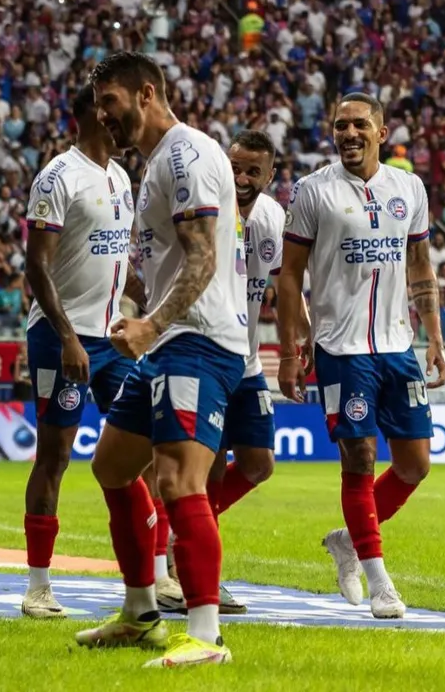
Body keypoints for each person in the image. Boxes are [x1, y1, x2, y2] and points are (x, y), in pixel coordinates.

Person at [77, 51, 247, 667]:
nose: (103, 117)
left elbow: (202, 260)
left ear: (146, 93)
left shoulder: (186, 154)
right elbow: (179, 264)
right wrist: (142, 316)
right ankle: (141, 613)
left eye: (111, 104)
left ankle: (205, 635)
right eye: (98, 107)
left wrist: (151, 323)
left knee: (179, 480)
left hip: (197, 343)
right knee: (112, 466)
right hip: (172, 342)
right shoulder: (153, 167)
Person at [277, 92, 445, 620]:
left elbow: (420, 266)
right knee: (359, 459)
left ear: (381, 130)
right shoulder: (313, 190)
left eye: (358, 125)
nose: (348, 133)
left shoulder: (409, 187)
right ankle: (378, 580)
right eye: (339, 125)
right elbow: (288, 275)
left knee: (415, 465)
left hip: (399, 346)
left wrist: (434, 338)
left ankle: (347, 542)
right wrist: (293, 343)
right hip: (341, 348)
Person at [20, 87, 147, 618]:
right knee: (56, 455)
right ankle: (38, 586)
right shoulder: (58, 177)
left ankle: (150, 581)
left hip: (114, 337)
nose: (128, 123)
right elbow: (36, 266)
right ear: (100, 114)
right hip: (60, 336)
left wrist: (146, 310)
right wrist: (69, 336)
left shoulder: (120, 177)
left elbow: (121, 261)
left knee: (140, 450)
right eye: (120, 112)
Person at [204, 130, 292, 614]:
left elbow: (285, 286)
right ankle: (200, 568)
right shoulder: (208, 209)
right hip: (209, 355)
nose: (240, 178)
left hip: (250, 361)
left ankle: (184, 533)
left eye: (252, 171)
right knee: (211, 466)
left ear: (269, 175)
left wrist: (295, 349)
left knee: (258, 463)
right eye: (234, 167)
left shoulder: (274, 218)